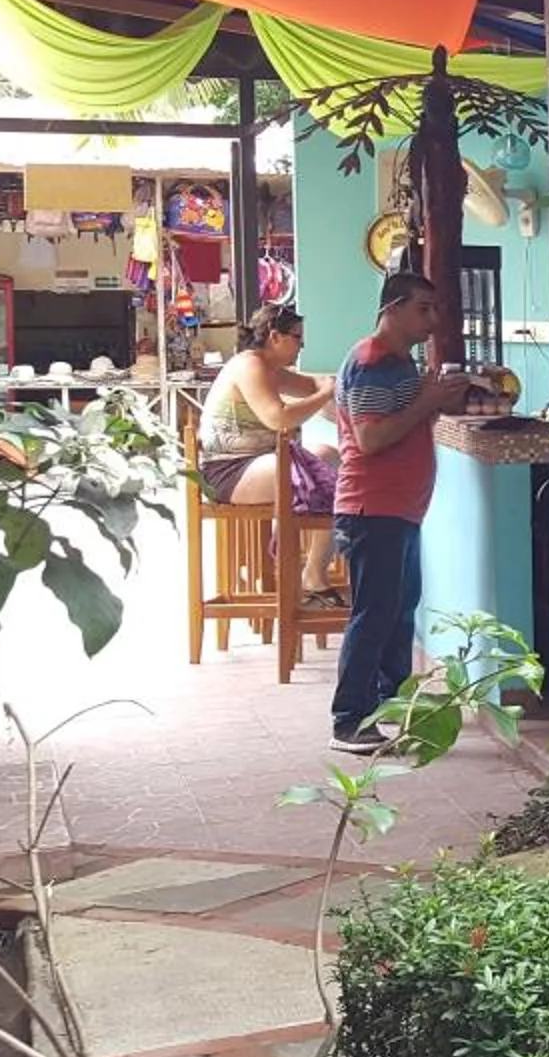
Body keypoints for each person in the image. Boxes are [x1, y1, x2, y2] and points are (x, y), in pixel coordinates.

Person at [328, 272, 477, 754]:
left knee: (397, 612)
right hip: (374, 507)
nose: (433, 321)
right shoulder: (374, 362)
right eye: (423, 309)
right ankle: (349, 719)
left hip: (400, 509)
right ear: (392, 309)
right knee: (374, 615)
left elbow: (401, 424)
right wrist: (429, 401)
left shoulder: (399, 364)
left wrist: (432, 401)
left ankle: (391, 709)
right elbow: (372, 438)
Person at [195, 305, 342, 604]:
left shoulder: (272, 370)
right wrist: (324, 394)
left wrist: (334, 394)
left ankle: (313, 571)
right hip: (228, 471)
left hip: (257, 464)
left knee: (328, 457)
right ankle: (297, 569)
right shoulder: (250, 366)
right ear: (275, 337)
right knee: (314, 476)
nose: (302, 345)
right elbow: (280, 418)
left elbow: (313, 386)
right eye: (297, 338)